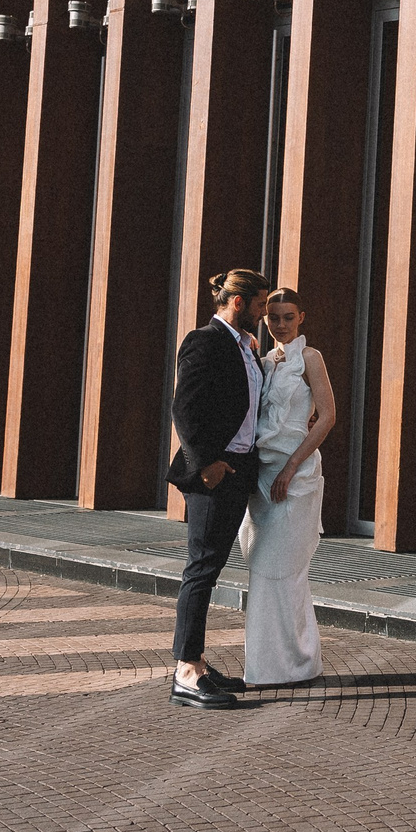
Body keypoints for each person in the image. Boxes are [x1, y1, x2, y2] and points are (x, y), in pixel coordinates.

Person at [164, 268, 271, 708]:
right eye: (262, 305)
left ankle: (199, 665)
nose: (266, 315)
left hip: (238, 472)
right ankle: (186, 671)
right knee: (202, 570)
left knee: (209, 568)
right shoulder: (204, 340)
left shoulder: (245, 346)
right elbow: (184, 410)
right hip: (213, 475)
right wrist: (206, 464)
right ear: (240, 303)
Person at [239, 287, 334, 685]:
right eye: (273, 317)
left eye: (288, 317)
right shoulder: (262, 362)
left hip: (295, 479)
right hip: (262, 477)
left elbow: (327, 417)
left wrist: (291, 467)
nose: (280, 324)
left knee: (287, 570)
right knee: (262, 572)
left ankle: (298, 663)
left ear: (302, 318)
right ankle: (267, 666)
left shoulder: (311, 359)